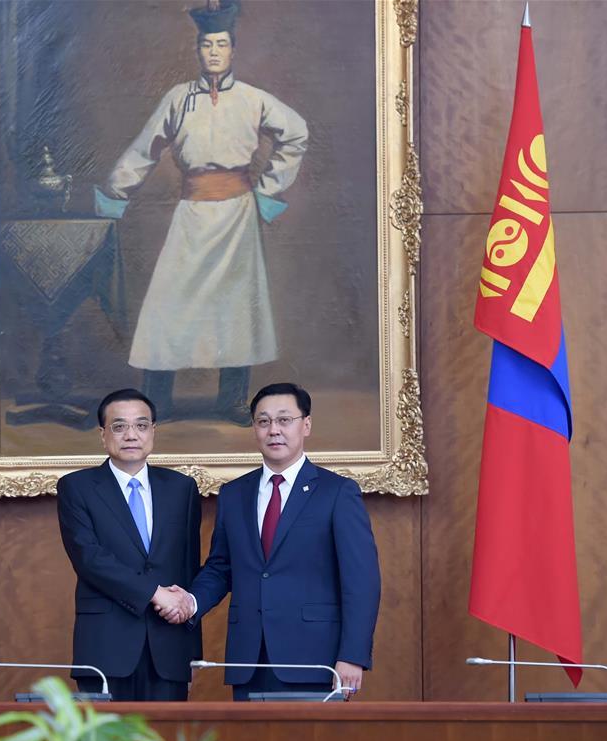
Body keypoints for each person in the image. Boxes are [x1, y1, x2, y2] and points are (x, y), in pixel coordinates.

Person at [95, 0, 308, 425]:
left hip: (238, 217)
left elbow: (296, 133)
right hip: (192, 216)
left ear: (232, 51)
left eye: (222, 44)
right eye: (207, 45)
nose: (214, 52)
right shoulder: (178, 100)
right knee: (169, 304)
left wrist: (267, 190)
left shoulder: (252, 100)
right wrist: (115, 193)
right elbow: (146, 148)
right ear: (197, 51)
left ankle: (230, 401)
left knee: (235, 308)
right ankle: (158, 401)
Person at [153, 383, 381, 700]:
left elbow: (362, 582)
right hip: (250, 659)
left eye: (284, 420)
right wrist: (191, 602)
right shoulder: (234, 495)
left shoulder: (337, 492)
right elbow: (221, 568)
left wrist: (353, 656)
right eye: (264, 421)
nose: (274, 430)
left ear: (307, 425)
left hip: (316, 661)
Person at [57, 388, 202, 700]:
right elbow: (89, 559)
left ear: (153, 432)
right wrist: (153, 592)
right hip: (106, 647)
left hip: (169, 648)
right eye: (119, 426)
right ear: (102, 435)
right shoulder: (77, 488)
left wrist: (191, 652)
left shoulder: (182, 489)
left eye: (141, 425)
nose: (131, 435)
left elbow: (188, 570)